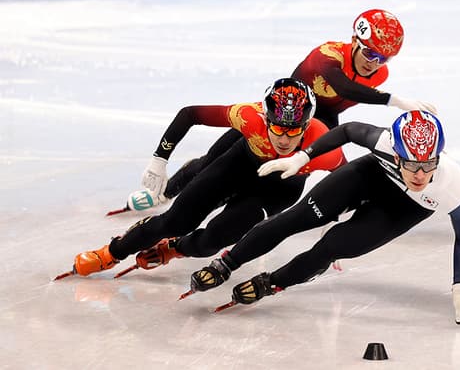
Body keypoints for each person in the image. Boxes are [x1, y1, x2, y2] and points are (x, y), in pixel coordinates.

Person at [185, 110, 460, 328]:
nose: (421, 175)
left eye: (429, 165)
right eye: (412, 165)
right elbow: (348, 131)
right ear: (396, 154)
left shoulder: (452, 184)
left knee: (332, 246)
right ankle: (225, 264)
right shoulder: (383, 142)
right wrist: (302, 157)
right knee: (298, 217)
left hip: (401, 210)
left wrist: (459, 286)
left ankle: (272, 283)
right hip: (371, 176)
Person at [123, 8, 436, 212]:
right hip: (282, 112)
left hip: (318, 123)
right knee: (213, 160)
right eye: (369, 52)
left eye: (383, 58)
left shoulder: (379, 75)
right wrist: (394, 100)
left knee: (315, 175)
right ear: (354, 40)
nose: (374, 62)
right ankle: (167, 192)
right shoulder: (325, 56)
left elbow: (344, 102)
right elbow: (342, 87)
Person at [65, 78, 347, 278]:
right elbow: (190, 114)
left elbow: (345, 177)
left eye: (294, 130)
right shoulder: (249, 116)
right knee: (175, 221)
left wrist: (330, 219)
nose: (284, 139)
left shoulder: (323, 140)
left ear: (306, 125)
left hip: (277, 190)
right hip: (239, 165)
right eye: (277, 128)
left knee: (212, 241)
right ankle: (112, 252)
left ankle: (176, 249)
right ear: (266, 118)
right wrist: (159, 160)